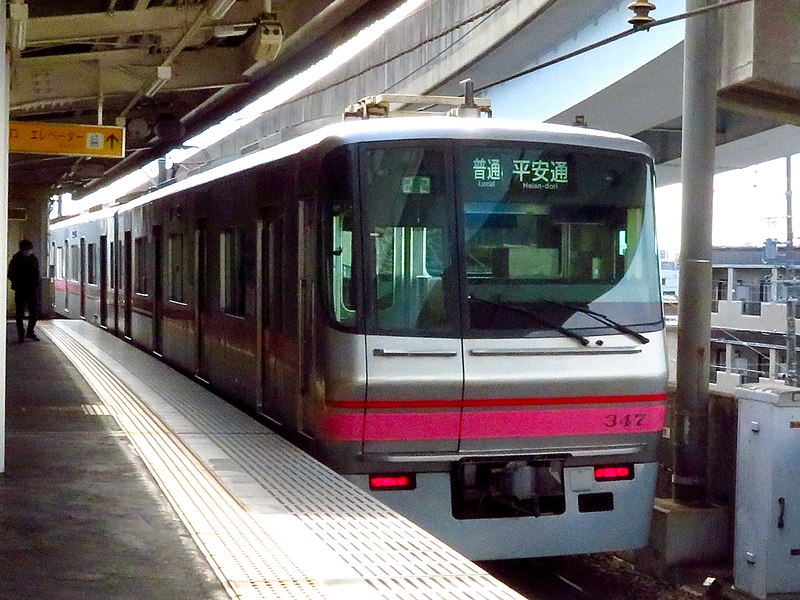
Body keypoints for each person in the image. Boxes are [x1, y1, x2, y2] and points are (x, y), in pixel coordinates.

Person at [8, 239, 40, 342]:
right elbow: (10, 274)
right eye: (25, 250)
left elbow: (37, 273)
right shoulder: (16, 259)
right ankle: (21, 334)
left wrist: (35, 284)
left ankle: (30, 332)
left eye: (29, 250)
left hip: (31, 290)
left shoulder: (33, 259)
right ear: (21, 250)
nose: (27, 252)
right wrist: (17, 283)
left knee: (34, 312)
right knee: (19, 313)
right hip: (20, 290)